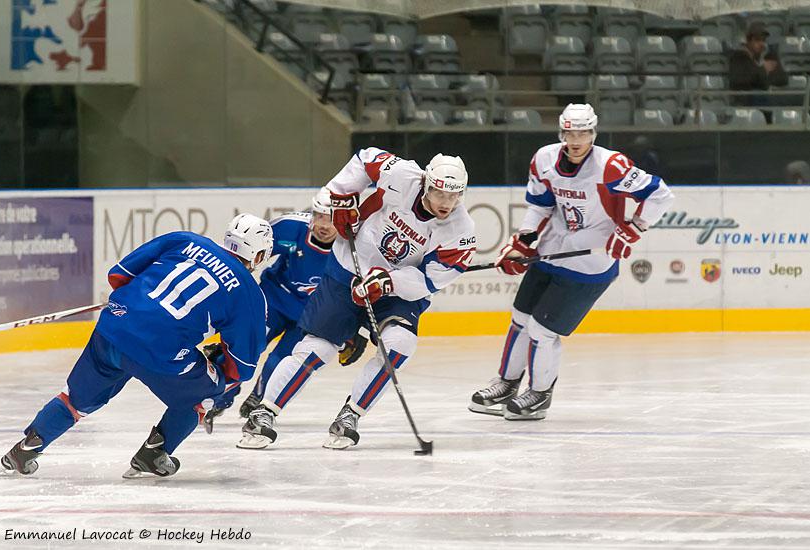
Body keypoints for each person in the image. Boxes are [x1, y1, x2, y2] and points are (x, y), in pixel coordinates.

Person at [0, 214, 274, 478]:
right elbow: (243, 366)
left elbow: (119, 275)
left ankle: (24, 449)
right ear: (259, 255)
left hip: (114, 327)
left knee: (75, 399)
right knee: (204, 397)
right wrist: (216, 369)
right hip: (161, 353)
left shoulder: (185, 239)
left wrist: (138, 307)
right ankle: (154, 453)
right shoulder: (251, 294)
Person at [237, 148, 476, 450]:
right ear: (427, 183)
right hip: (350, 267)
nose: (446, 203)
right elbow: (365, 159)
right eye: (440, 193)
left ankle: (351, 415)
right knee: (318, 348)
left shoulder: (461, 231)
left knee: (400, 345)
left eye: (454, 196)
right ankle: (265, 412)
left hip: (398, 292)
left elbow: (430, 280)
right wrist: (340, 198)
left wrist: (389, 282)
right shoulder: (402, 174)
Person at [469, 103, 674, 420]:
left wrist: (633, 227)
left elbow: (659, 194)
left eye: (584, 132)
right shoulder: (545, 159)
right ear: (561, 133)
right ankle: (507, 383)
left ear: (594, 133)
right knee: (520, 318)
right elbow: (540, 206)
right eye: (570, 132)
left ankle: (539, 394)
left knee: (542, 330)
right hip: (552, 249)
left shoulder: (612, 165)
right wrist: (523, 242)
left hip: (590, 262)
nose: (576, 140)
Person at [204, 188, 354, 428]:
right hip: (271, 302)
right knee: (243, 349)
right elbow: (249, 256)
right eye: (319, 216)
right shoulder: (289, 227)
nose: (323, 224)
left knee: (281, 359)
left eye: (330, 218)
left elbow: (352, 292)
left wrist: (352, 332)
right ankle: (218, 397)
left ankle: (259, 397)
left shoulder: (349, 250)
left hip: (310, 315)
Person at [728, 21, 788, 114]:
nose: (761, 44)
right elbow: (740, 80)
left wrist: (761, 78)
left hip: (768, 96)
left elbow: (783, 79)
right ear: (748, 41)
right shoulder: (739, 57)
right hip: (748, 99)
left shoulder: (770, 55)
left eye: (763, 40)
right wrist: (763, 70)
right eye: (757, 40)